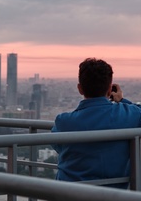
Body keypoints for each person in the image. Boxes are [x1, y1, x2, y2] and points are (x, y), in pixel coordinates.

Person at [51, 57, 141, 189]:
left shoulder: (64, 121)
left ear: (80, 89)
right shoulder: (128, 115)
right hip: (113, 193)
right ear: (110, 89)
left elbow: (59, 147)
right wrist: (121, 100)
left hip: (69, 192)